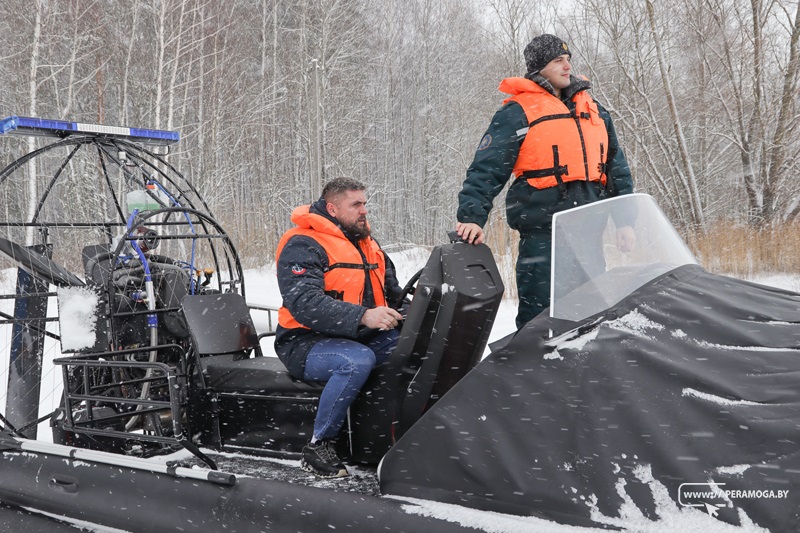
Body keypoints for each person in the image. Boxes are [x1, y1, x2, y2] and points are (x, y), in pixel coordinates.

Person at [456, 34, 635, 329]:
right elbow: (486, 169)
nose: (567, 67)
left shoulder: (594, 110)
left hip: (590, 231)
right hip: (544, 234)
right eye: (557, 61)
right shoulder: (517, 113)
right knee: (540, 317)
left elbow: (616, 168)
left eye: (568, 60)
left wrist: (625, 220)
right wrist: (472, 216)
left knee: (591, 312)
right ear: (539, 68)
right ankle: (531, 370)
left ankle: (583, 371)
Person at [275, 177, 404, 478]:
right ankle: (318, 446)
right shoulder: (303, 244)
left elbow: (394, 293)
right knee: (355, 360)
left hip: (357, 334)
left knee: (413, 348)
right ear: (332, 208)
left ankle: (393, 434)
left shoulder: (368, 245)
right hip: (305, 342)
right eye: (356, 204)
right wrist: (363, 316)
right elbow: (304, 303)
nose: (364, 211)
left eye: (365, 203)